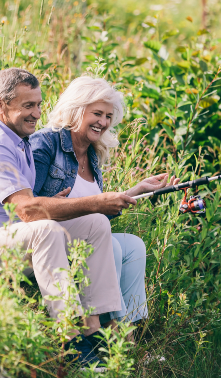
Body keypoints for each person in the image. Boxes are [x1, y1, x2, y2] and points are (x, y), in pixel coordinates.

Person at [0, 68, 137, 371]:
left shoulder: (19, 138)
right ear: (0, 105)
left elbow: (28, 204)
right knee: (46, 229)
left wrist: (63, 207)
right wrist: (95, 201)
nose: (36, 113)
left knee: (96, 223)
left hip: (4, 237)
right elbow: (28, 211)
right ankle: (71, 341)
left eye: (39, 104)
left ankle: (94, 329)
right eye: (27, 106)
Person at [30, 76, 179, 333]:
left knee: (133, 245)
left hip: (85, 237)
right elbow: (24, 205)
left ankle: (127, 326)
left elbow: (96, 216)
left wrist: (137, 190)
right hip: (49, 238)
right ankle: (104, 332)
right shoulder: (46, 143)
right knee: (112, 245)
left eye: (108, 116)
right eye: (97, 113)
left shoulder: (91, 153)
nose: (103, 122)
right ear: (76, 110)